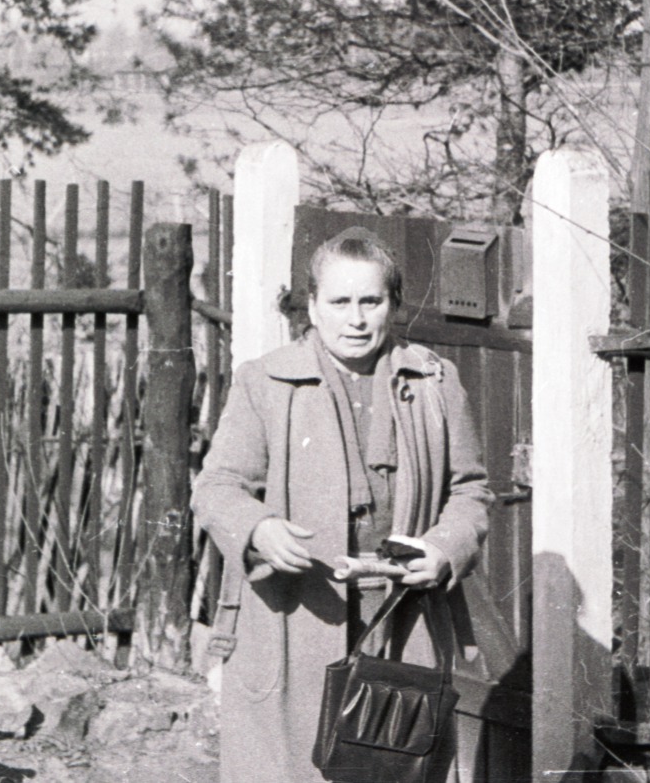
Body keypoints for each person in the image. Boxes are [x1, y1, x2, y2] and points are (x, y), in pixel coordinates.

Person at [192, 227, 492, 783]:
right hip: (295, 617)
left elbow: (470, 490)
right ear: (312, 306)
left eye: (370, 301)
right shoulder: (265, 382)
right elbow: (216, 488)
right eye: (339, 302)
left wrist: (445, 549)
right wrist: (258, 529)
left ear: (393, 305)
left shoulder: (434, 380)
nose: (355, 319)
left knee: (392, 770)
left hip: (402, 619)